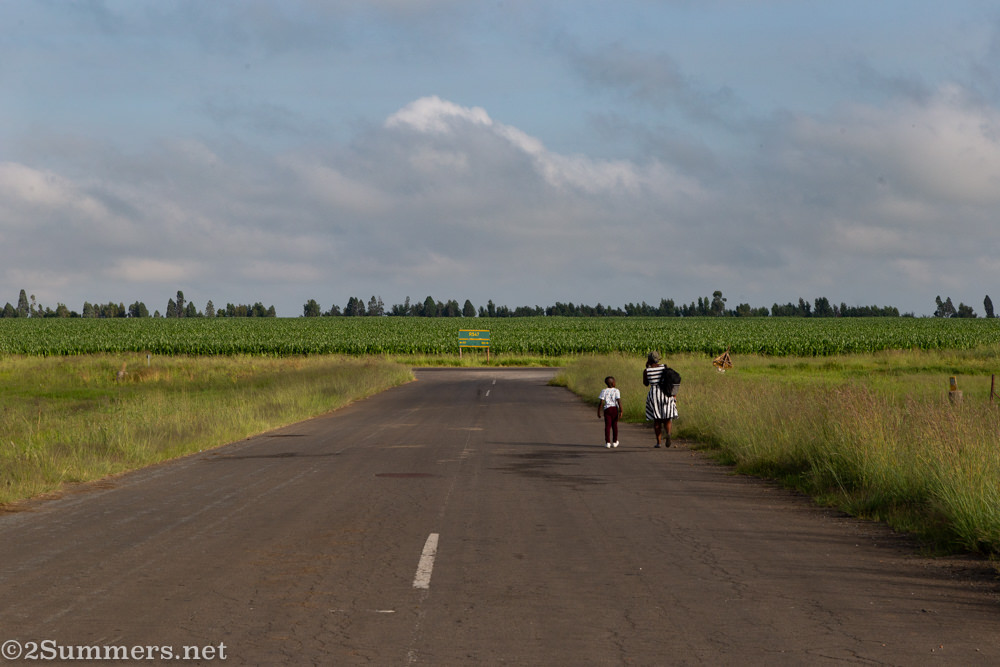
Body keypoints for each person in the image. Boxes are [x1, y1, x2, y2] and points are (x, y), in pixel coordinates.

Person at [643, 351, 678, 448]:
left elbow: (646, 384)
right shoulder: (664, 367)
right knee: (667, 418)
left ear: (649, 359)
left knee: (657, 420)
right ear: (658, 359)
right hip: (666, 394)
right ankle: (669, 434)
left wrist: (647, 367)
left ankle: (658, 443)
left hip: (654, 395)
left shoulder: (647, 371)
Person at [597, 376, 622, 448]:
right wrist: (621, 410)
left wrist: (598, 412)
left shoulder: (603, 391)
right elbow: (618, 401)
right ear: (613, 383)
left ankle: (607, 442)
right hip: (614, 409)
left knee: (607, 426)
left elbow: (601, 402)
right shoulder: (616, 390)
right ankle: (615, 441)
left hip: (607, 409)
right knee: (615, 426)